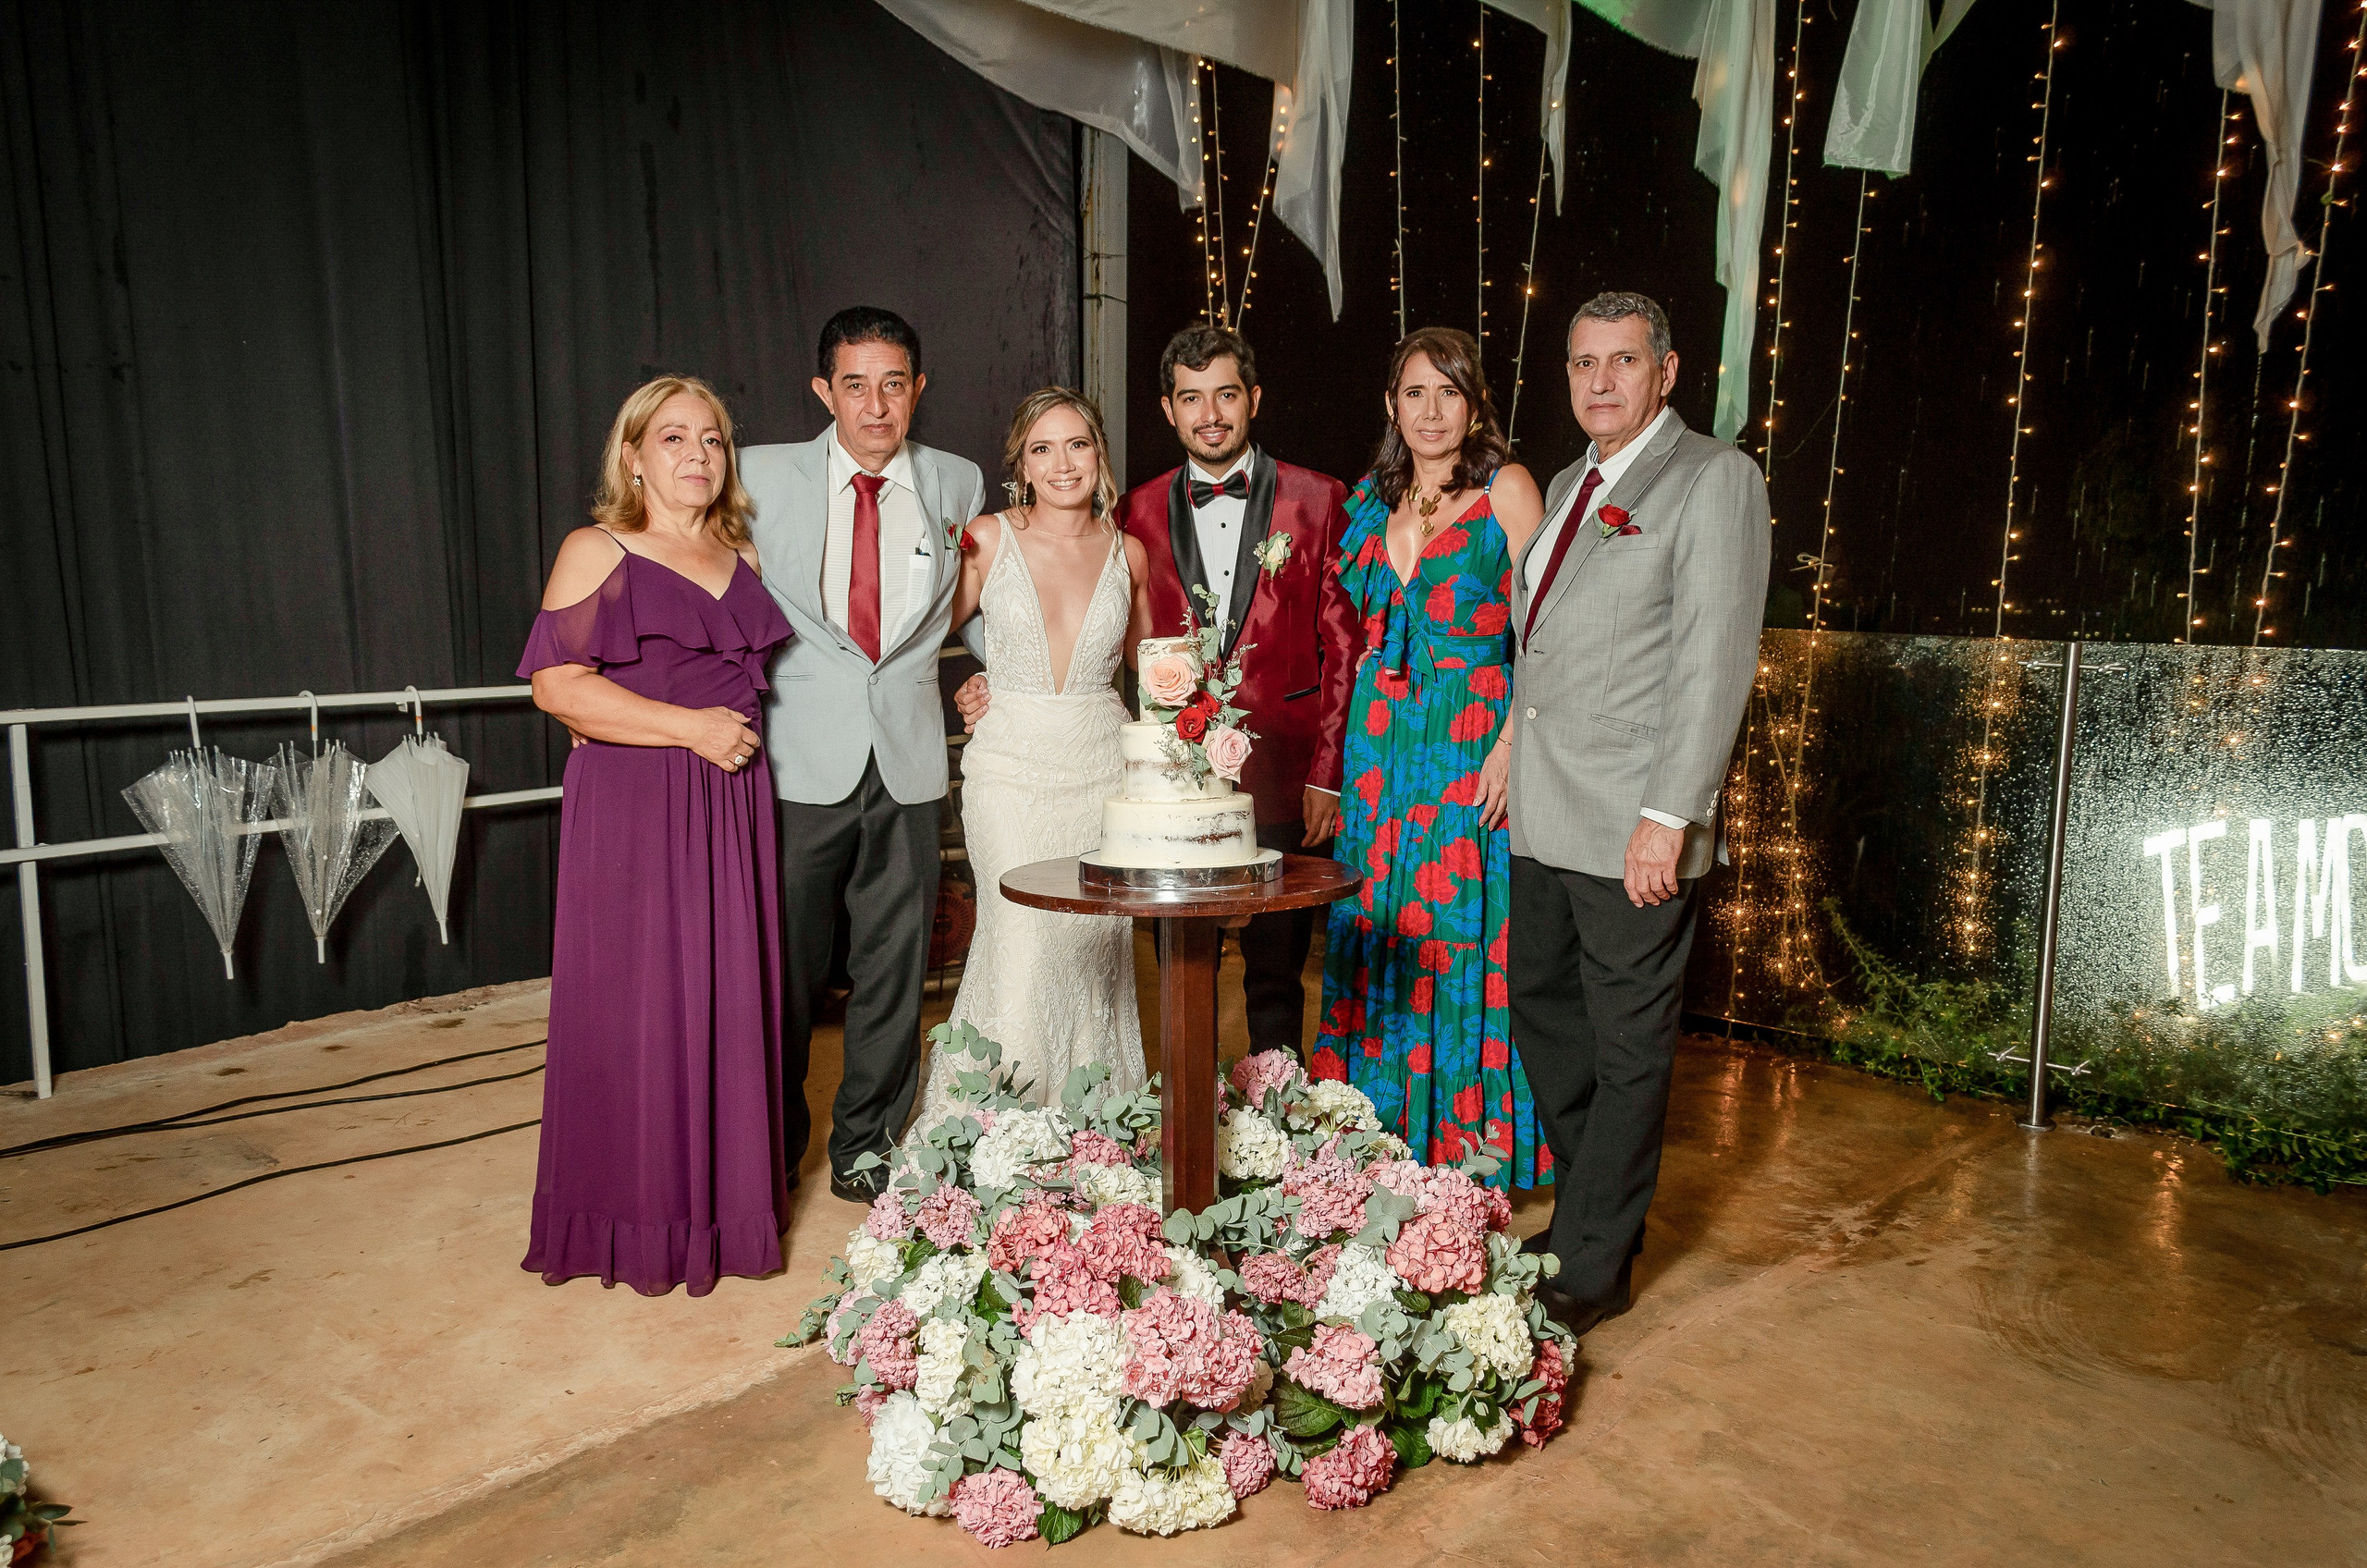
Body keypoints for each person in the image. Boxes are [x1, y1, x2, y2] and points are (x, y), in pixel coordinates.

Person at [963, 322, 1358, 1057]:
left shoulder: (1320, 498)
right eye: (1191, 398)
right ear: (1168, 411)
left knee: (1277, 973)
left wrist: (1327, 779)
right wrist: (997, 670)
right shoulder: (1131, 514)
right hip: (1158, 785)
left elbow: (1343, 646)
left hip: (1282, 772)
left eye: (1226, 395)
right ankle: (1186, 1132)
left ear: (1254, 399)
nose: (1210, 414)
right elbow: (1076, 615)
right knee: (1179, 968)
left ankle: (1272, 1146)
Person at [1509, 291, 1769, 1336]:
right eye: (1582, 363)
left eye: (1622, 361)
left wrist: (1671, 813)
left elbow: (1712, 661)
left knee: (1625, 1047)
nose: (1600, 380)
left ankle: (1594, 1262)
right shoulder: (1573, 482)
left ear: (1666, 371)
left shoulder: (1712, 478)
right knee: (1545, 1014)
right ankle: (1588, 1213)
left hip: (1631, 822)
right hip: (1543, 810)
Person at [518, 375, 794, 1296]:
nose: (696, 457)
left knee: (722, 1000)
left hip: (732, 803)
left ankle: (717, 1215)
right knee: (640, 1006)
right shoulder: (597, 550)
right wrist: (690, 729)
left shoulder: (735, 551)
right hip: (637, 808)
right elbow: (558, 689)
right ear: (632, 454)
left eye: (712, 440)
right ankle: (635, 1223)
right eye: (673, 439)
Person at [740, 307, 988, 1205]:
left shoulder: (957, 482)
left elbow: (981, 598)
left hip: (910, 759)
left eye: (894, 383)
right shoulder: (757, 476)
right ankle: (767, 1152)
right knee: (783, 970)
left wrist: (1003, 674)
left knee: (895, 968)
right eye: (855, 383)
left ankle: (867, 1146)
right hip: (795, 761)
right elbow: (682, 571)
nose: (876, 404)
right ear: (823, 391)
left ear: (918, 389)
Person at [1308, 327, 1549, 1189]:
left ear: (1475, 401)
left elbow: (1549, 633)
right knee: (1376, 930)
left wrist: (1516, 744)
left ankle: (1462, 1149)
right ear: (1391, 404)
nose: (1432, 411)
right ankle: (1374, 1142)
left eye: (1449, 392)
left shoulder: (1507, 490)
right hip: (1382, 747)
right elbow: (1346, 641)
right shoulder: (1374, 501)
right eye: (1416, 393)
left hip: (1470, 738)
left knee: (1458, 934)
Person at [912, 389, 1156, 1126]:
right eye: (1043, 448)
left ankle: (1095, 1134)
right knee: (1020, 947)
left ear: (1099, 454)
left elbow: (1157, 673)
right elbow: (917, 642)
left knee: (1093, 951)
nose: (1063, 463)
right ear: (1020, 461)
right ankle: (997, 1138)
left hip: (1101, 772)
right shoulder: (986, 537)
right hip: (1010, 770)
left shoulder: (1128, 550)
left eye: (1077, 444)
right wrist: (972, 683)